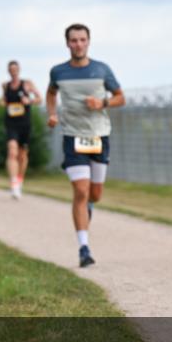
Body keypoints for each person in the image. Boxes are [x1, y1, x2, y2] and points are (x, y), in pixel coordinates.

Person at [46, 24, 125, 267]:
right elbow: (50, 94)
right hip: (72, 137)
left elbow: (120, 98)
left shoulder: (101, 69)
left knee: (95, 194)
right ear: (67, 43)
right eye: (73, 40)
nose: (78, 44)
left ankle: (89, 206)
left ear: (88, 42)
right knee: (80, 191)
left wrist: (101, 103)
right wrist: (52, 114)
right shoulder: (58, 72)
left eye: (82, 40)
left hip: (99, 137)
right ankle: (84, 248)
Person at [0, 61, 42, 199]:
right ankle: (14, 184)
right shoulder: (5, 86)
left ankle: (19, 179)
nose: (13, 71)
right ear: (8, 71)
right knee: (12, 151)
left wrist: (29, 101)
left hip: (25, 123)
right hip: (11, 123)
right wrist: (2, 102)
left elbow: (39, 99)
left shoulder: (27, 84)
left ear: (19, 70)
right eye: (11, 69)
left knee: (22, 155)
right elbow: (3, 100)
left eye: (15, 69)